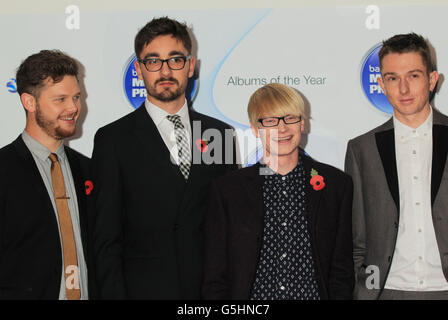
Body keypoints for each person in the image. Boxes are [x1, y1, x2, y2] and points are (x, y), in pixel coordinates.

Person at [91, 17, 237, 299]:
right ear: (139, 69)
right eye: (153, 61)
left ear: (191, 66)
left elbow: (231, 228)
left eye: (175, 60)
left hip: (207, 294)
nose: (165, 70)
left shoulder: (220, 134)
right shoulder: (113, 140)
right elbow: (106, 241)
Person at [202, 83, 354, 300]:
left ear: (302, 123)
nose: (282, 129)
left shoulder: (336, 186)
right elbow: (215, 274)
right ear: (255, 129)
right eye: (270, 121)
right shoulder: (227, 191)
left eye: (290, 118)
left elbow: (342, 272)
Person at [345, 33, 448, 300]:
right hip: (386, 292)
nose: (403, 89)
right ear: (381, 83)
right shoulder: (361, 149)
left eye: (413, 76)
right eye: (392, 78)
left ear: (433, 80)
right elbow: (357, 237)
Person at [0, 50, 91, 299]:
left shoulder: (89, 171)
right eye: (60, 99)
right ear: (29, 102)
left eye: (76, 97)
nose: (73, 108)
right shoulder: (4, 170)